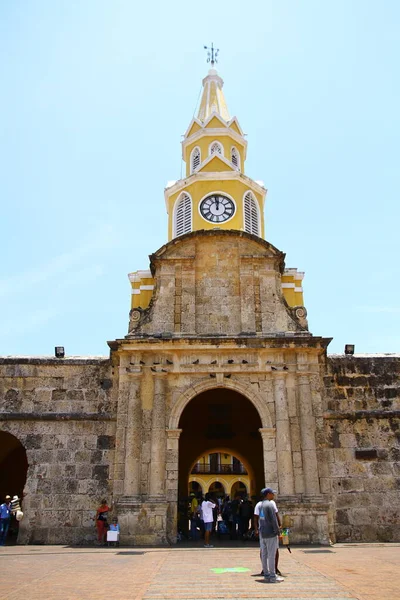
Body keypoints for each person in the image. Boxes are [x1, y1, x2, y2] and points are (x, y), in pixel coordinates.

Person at [254, 488, 284, 583]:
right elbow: (274, 520)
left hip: (262, 533)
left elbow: (259, 518)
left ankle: (266, 574)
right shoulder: (270, 505)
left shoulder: (260, 505)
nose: (273, 495)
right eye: (272, 493)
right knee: (272, 555)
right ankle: (272, 576)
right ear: (268, 494)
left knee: (264, 554)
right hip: (270, 533)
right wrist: (278, 532)